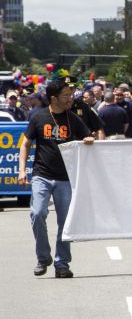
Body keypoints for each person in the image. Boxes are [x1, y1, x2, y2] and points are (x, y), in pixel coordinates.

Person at [18, 76, 95, 278]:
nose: (70, 98)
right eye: (66, 95)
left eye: (71, 94)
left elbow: (89, 135)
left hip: (65, 178)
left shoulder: (73, 118)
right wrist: (22, 170)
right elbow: (25, 144)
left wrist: (89, 138)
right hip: (41, 175)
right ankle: (43, 257)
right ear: (54, 98)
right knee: (37, 213)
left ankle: (62, 264)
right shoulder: (38, 117)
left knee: (65, 223)